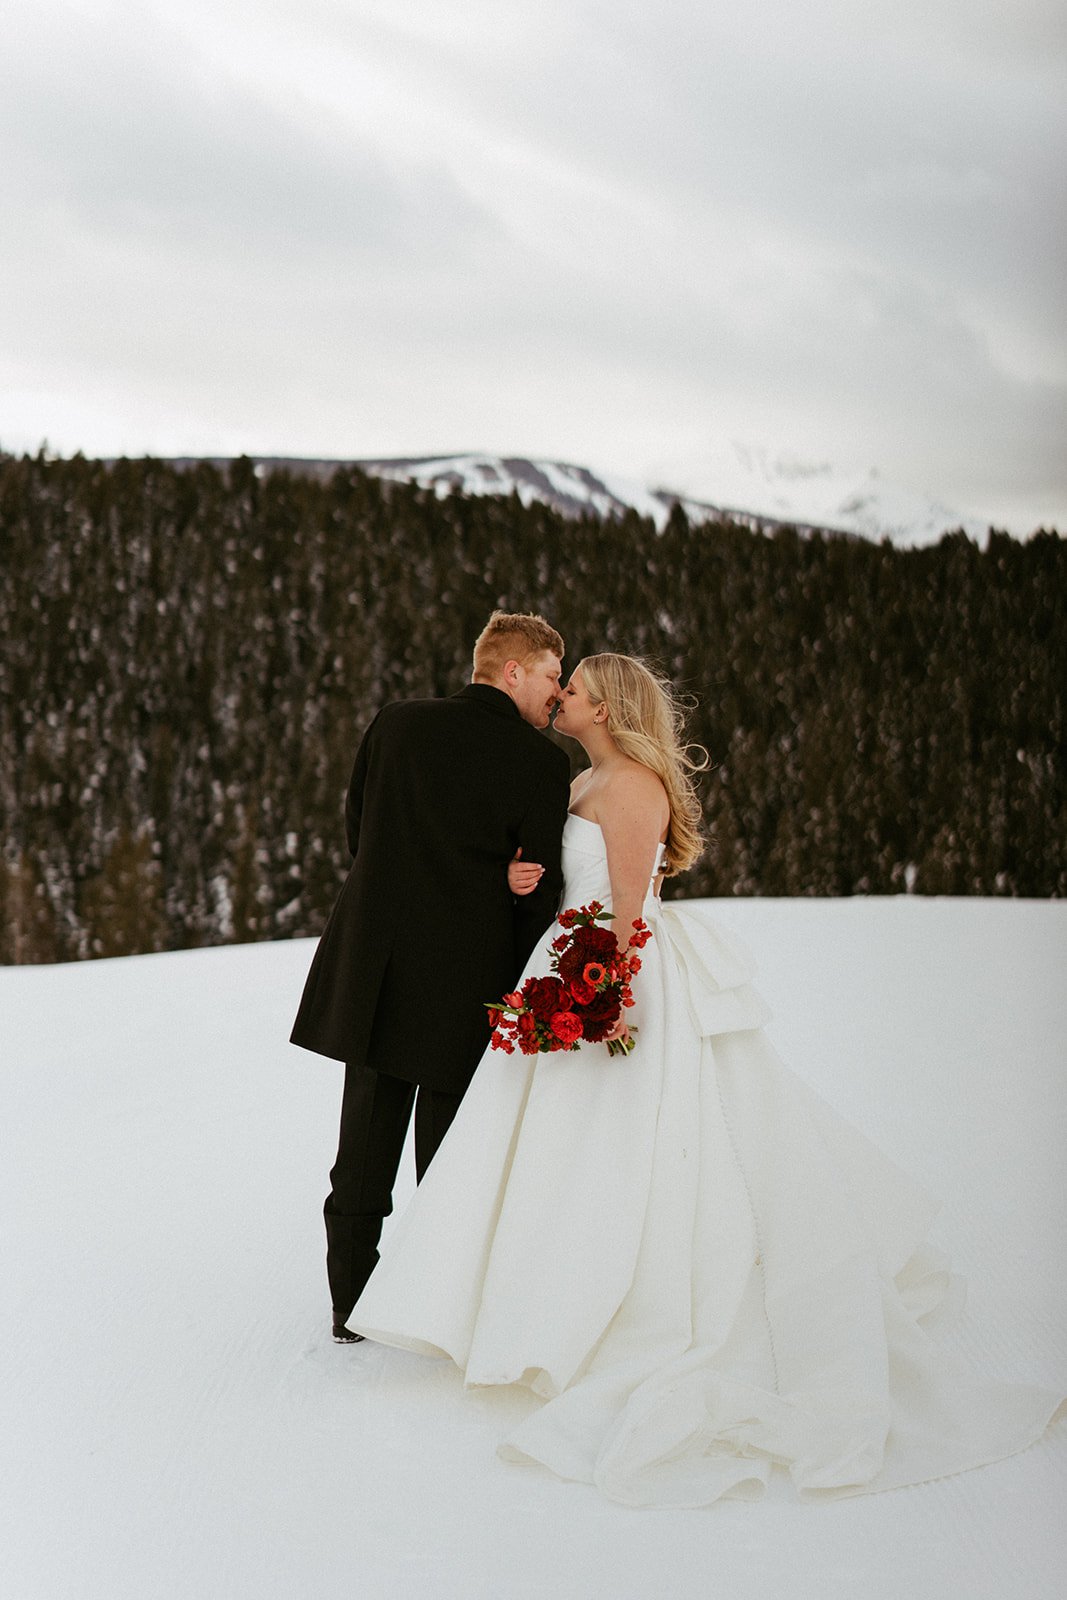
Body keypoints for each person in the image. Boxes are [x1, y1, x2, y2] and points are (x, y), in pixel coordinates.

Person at [346, 652, 1063, 1507]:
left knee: (629, 1141)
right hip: (565, 960)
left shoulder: (632, 784)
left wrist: (597, 985)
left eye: (571, 688)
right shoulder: (581, 780)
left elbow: (623, 906)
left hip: (608, 969)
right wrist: (515, 882)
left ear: (605, 707)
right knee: (548, 1146)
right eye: (559, 683)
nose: (560, 696)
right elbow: (559, 873)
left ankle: (607, 1302)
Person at [290, 611, 571, 1343]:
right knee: (449, 1157)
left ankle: (349, 1308)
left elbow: (363, 832)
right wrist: (501, 888)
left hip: (377, 970)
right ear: (512, 672)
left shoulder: (395, 724)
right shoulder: (541, 763)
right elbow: (538, 892)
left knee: (362, 1154)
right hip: (469, 979)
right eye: (549, 675)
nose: (557, 692)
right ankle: (437, 1305)